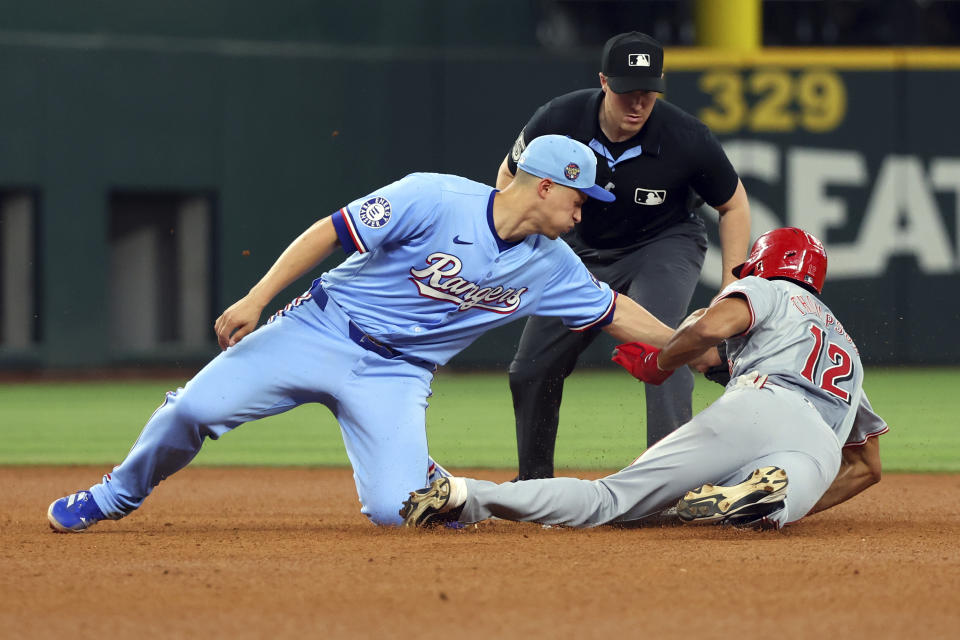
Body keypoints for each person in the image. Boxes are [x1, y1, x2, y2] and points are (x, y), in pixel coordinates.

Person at [46, 135, 696, 532]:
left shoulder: (552, 264)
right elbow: (332, 230)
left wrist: (684, 345)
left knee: (400, 510)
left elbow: (611, 309)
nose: (584, 212)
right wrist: (257, 296)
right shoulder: (435, 198)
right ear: (547, 186)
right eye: (579, 199)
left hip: (396, 375)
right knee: (191, 408)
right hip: (320, 330)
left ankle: (426, 476)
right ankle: (113, 496)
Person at [401, 228, 887, 530]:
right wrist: (808, 500)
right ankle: (774, 496)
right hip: (819, 446)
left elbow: (711, 328)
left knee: (611, 499)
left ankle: (467, 496)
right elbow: (867, 468)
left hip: (759, 404)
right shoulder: (844, 345)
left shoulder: (766, 287)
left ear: (762, 265)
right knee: (774, 507)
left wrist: (663, 361)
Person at [500, 31, 751, 479]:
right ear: (603, 82)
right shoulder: (559, 118)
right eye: (626, 92)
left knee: (662, 350)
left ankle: (670, 480)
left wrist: (732, 284)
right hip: (576, 248)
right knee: (532, 367)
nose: (637, 103)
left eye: (647, 93)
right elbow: (510, 177)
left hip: (662, 243)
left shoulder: (685, 137)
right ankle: (533, 485)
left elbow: (733, 204)